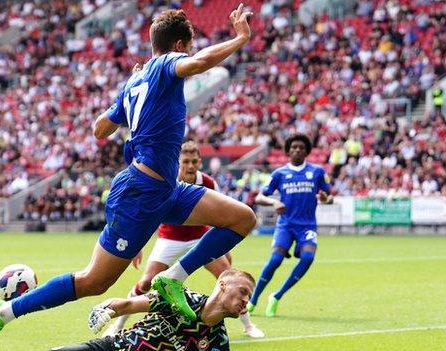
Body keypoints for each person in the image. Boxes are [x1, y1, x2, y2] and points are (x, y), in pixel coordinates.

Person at [0, 5, 256, 350]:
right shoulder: (166, 65)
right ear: (180, 45)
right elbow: (197, 64)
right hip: (142, 191)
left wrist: (127, 95)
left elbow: (99, 129)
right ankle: (2, 313)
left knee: (242, 218)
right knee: (94, 281)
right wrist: (240, 37)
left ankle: (172, 279)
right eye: (187, 48)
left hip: (165, 189)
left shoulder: (137, 80)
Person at [103, 141, 264, 338]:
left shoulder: (209, 182)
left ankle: (248, 326)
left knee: (228, 277)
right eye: (186, 161)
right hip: (169, 238)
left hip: (200, 238)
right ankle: (117, 325)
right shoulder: (166, 181)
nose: (190, 166)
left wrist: (224, 246)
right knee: (146, 282)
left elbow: (223, 214)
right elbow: (148, 215)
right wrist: (137, 245)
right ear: (178, 162)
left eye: (194, 161)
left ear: (199, 163)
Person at [51, 269, 255, 351]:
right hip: (115, 347)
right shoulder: (180, 297)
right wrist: (106, 309)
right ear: (222, 285)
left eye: (249, 297)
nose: (246, 300)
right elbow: (128, 305)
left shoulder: (218, 343)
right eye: (243, 291)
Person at [246, 133, 332, 317]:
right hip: (285, 225)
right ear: (288, 151)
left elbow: (329, 196)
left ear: (307, 151)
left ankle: (276, 296)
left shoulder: (317, 172)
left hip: (307, 226)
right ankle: (253, 300)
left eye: (301, 147)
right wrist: (274, 203)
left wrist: (326, 198)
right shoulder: (279, 174)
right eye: (294, 147)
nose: (297, 150)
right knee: (275, 260)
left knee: (308, 258)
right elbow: (260, 197)